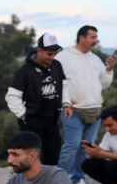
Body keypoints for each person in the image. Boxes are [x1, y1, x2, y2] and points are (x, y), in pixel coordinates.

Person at [55, 26, 117, 184]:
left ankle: (77, 180)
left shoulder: (95, 59)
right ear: (81, 38)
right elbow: (55, 81)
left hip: (95, 110)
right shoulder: (63, 57)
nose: (96, 40)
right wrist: (64, 101)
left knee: (86, 147)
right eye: (92, 37)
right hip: (73, 110)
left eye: (96, 37)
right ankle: (57, 183)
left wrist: (108, 69)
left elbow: (104, 84)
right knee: (71, 145)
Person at [6, 33, 71, 166]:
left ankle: (48, 178)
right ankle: (31, 179)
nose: (52, 57)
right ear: (39, 50)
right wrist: (23, 115)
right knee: (33, 156)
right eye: (49, 54)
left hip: (52, 119)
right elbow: (12, 96)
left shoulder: (56, 65)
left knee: (53, 152)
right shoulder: (24, 71)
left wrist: (66, 104)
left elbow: (63, 86)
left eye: (54, 54)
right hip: (32, 120)